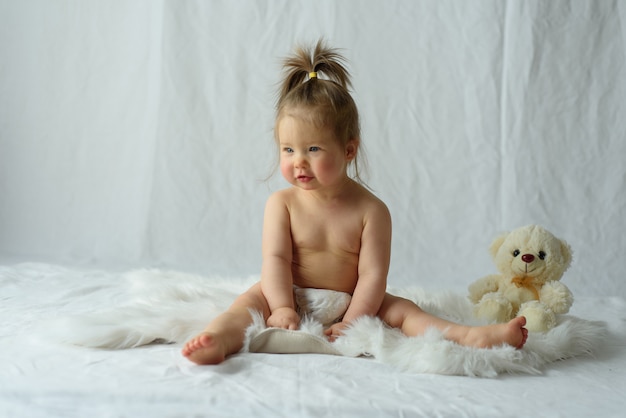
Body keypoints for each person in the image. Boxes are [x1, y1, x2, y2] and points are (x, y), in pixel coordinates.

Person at [182, 40, 528, 365]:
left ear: (349, 150)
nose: (298, 161)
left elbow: (372, 275)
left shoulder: (371, 211)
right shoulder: (281, 204)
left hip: (352, 300)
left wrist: (354, 320)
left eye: (313, 149)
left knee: (404, 311)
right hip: (289, 293)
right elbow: (275, 260)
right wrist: (283, 307)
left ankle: (470, 336)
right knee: (245, 305)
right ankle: (218, 339)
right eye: (288, 150)